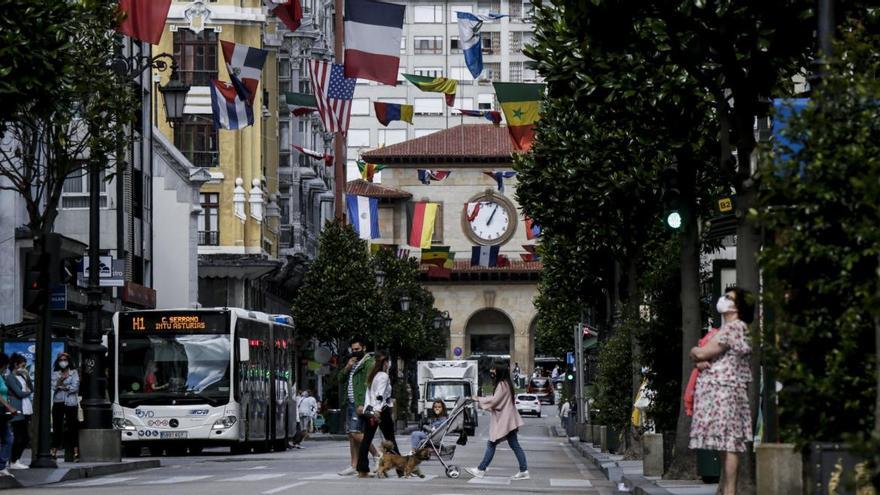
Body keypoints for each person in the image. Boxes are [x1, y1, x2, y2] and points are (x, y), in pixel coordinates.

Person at [689, 287, 754, 495]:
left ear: (738, 306)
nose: (724, 300)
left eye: (729, 298)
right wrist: (698, 355)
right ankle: (726, 490)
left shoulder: (734, 328)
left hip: (726, 392)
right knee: (725, 446)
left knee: (729, 444)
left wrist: (698, 354)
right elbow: (699, 353)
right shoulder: (727, 329)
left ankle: (730, 492)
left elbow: (703, 351)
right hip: (721, 392)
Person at [466, 362, 529, 481]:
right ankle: (523, 470)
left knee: (492, 443)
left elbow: (495, 401)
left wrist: (478, 398)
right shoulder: (507, 384)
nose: (491, 372)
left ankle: (481, 469)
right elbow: (499, 404)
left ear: (499, 371)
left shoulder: (501, 385)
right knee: (514, 445)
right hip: (509, 419)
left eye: (493, 369)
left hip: (505, 420)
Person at [356, 350, 401, 477]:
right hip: (381, 411)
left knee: (367, 439)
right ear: (386, 362)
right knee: (390, 439)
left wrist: (369, 409)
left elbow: (369, 394)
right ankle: (401, 468)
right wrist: (377, 410)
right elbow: (380, 395)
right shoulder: (383, 376)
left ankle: (362, 468)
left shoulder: (373, 375)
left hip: (370, 410)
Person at [337, 337, 377, 476]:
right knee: (351, 435)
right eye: (353, 350)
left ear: (364, 348)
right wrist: (348, 366)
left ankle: (377, 455)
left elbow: (368, 384)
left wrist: (363, 403)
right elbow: (340, 379)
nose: (354, 352)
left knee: (355, 432)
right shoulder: (352, 363)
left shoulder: (368, 363)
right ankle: (354, 465)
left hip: (359, 403)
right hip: (350, 402)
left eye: (357, 349)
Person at [5, 354, 32, 470]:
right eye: (22, 364)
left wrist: (28, 377)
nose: (24, 367)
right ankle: (13, 460)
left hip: (26, 409)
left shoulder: (22, 376)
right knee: (19, 436)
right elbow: (19, 393)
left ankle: (15, 459)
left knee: (25, 437)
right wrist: (28, 392)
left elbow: (31, 388)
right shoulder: (10, 377)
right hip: (17, 408)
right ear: (16, 364)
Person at [51, 352, 79, 460]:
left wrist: (62, 387)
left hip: (71, 403)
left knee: (72, 427)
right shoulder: (55, 373)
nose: (63, 362)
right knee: (57, 427)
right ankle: (53, 452)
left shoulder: (74, 372)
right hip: (58, 402)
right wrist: (61, 380)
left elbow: (74, 387)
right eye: (61, 360)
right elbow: (54, 387)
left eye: (65, 360)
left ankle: (76, 452)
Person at [0, 354, 20, 478]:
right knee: (8, 439)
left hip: (2, 412)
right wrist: (9, 407)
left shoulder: (1, 377)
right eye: (6, 365)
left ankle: (1, 466)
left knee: (7, 438)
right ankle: (1, 466)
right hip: (1, 410)